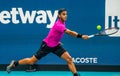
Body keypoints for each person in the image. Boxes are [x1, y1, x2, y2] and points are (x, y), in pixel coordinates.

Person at [6, 8, 89, 76]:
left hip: (55, 45)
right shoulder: (59, 25)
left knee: (69, 59)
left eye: (66, 14)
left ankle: (75, 75)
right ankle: (14, 64)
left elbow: (53, 34)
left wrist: (56, 41)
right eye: (63, 14)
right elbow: (70, 32)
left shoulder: (62, 23)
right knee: (32, 61)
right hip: (46, 46)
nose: (65, 16)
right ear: (59, 15)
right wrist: (81, 36)